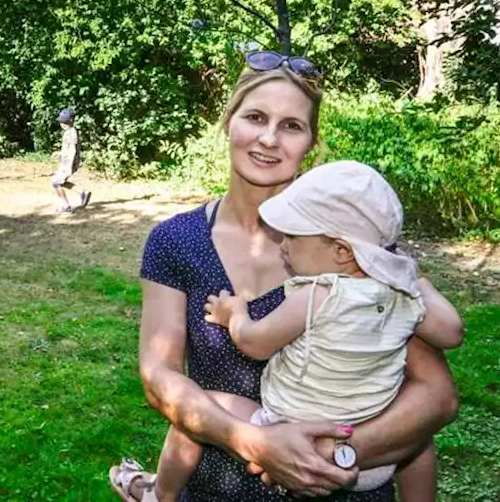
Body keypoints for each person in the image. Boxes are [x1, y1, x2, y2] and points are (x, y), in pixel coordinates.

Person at [109, 51, 460, 502]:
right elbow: (159, 377)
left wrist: (331, 456)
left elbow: (437, 396)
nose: (269, 139)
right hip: (218, 488)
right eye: (256, 117)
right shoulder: (175, 241)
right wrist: (254, 442)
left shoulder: (352, 248)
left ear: (311, 143)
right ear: (228, 121)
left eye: (292, 126)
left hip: (346, 489)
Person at [146, 160, 465, 501]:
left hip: (286, 427)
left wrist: (234, 314)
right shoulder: (401, 296)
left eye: (294, 236)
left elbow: (255, 343)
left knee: (199, 408)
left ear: (341, 251)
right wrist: (417, 282)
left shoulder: (316, 294)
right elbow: (452, 332)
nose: (283, 244)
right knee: (418, 445)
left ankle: (159, 495)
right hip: (370, 452)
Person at [52, 107, 91, 213]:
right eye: (61, 121)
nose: (62, 124)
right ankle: (83, 192)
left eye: (64, 121)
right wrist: (60, 153)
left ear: (70, 121)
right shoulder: (69, 132)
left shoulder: (71, 132)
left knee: (56, 182)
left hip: (69, 163)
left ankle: (65, 206)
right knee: (60, 182)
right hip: (67, 162)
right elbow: (68, 149)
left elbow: (73, 150)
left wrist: (69, 166)